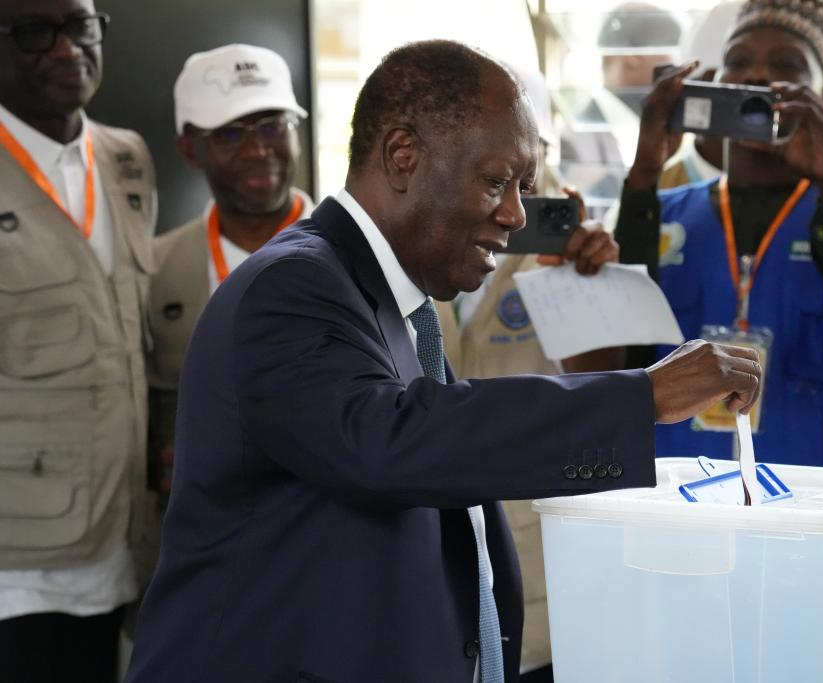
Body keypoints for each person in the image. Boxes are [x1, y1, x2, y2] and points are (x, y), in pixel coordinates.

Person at [125, 40, 762, 683]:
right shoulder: (293, 285)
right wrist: (641, 396)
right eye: (497, 182)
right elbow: (392, 441)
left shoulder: (392, 299)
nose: (515, 215)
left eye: (524, 188)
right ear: (403, 156)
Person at [618, 0, 823, 469]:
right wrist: (644, 175)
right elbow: (622, 362)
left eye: (786, 64)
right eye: (738, 61)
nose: (756, 75)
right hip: (680, 492)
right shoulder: (661, 213)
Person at [437, 62, 620, 683]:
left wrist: (577, 283)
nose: (507, 188)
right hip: (429, 575)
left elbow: (601, 396)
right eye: (488, 163)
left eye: (525, 157)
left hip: (538, 587)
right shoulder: (413, 242)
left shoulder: (569, 246)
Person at [0, 0, 157, 681]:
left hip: (119, 541)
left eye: (81, 26)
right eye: (36, 33)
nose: (67, 50)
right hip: (16, 565)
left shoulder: (127, 157)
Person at [147, 44, 312, 515]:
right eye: (229, 134)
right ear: (189, 149)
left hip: (329, 527)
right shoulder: (155, 270)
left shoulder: (362, 257)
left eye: (273, 126)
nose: (258, 150)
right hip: (208, 528)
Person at [560, 2, 682, 216]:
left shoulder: (660, 130)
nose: (678, 65)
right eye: (671, 50)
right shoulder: (577, 140)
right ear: (633, 56)